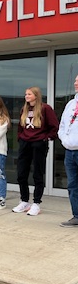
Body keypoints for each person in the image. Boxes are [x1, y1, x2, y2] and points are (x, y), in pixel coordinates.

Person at [12, 86, 59, 216]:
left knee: (38, 174)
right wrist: (20, 138)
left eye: (29, 94)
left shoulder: (45, 108)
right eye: (26, 94)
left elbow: (54, 126)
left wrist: (46, 138)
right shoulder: (24, 109)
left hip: (39, 144)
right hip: (25, 143)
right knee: (21, 173)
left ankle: (36, 203)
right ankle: (24, 200)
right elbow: (21, 127)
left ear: (36, 96)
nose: (26, 96)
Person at [58, 75, 78, 227]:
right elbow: (63, 125)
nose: (75, 83)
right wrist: (64, 140)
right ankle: (76, 216)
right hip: (70, 152)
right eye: (75, 80)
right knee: (72, 185)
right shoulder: (71, 104)